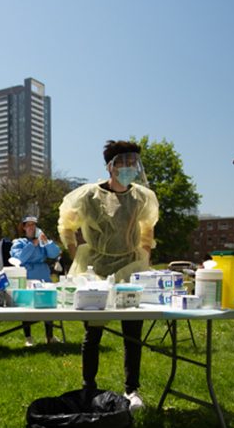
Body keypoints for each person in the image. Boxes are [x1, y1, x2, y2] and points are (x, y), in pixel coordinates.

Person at [58, 140, 159, 411]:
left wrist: (145, 254)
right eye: (122, 162)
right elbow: (66, 223)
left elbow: (147, 227)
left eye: (132, 162)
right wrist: (72, 251)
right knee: (94, 331)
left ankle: (132, 390)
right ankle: (88, 387)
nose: (128, 167)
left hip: (130, 267)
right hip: (96, 269)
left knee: (132, 330)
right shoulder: (88, 196)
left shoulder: (141, 197)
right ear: (110, 166)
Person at [11, 215, 61, 345]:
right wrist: (32, 245)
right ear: (24, 227)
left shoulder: (41, 242)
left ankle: (49, 336)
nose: (32, 228)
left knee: (48, 305)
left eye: (34, 225)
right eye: (29, 225)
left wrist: (47, 242)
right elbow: (20, 258)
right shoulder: (19, 242)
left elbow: (55, 253)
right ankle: (28, 337)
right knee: (26, 307)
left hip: (43, 276)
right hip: (28, 276)